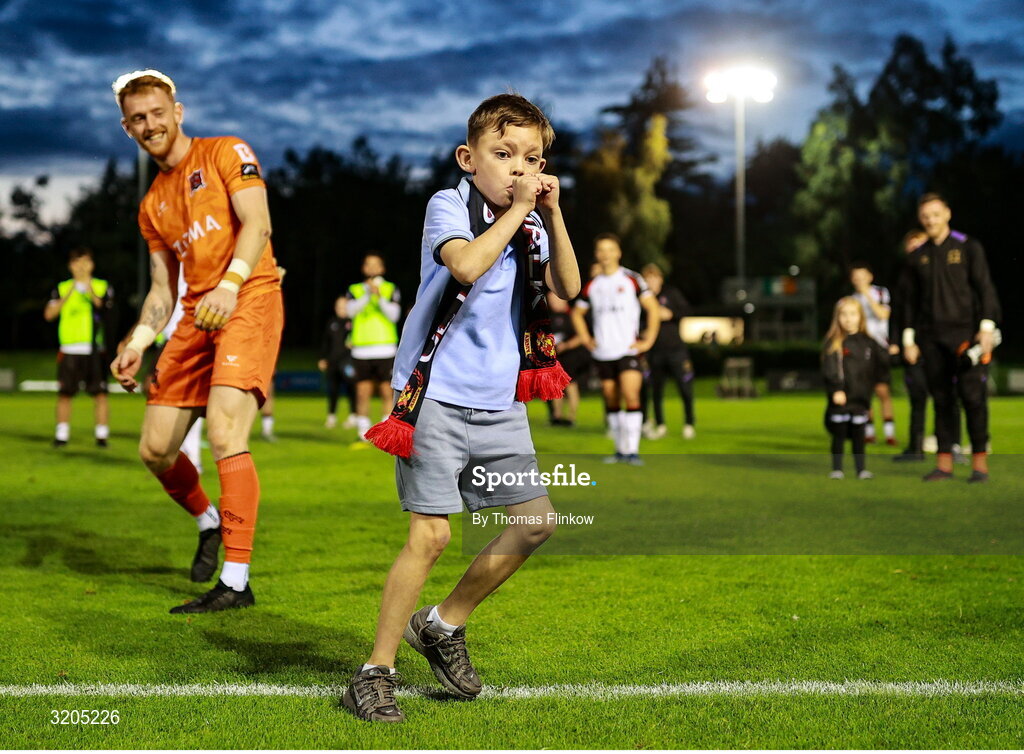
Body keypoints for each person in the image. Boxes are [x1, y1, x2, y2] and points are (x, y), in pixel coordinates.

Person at [340, 94, 579, 723]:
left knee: (537, 523)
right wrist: (524, 207)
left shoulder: (530, 221)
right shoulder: (448, 205)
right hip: (435, 397)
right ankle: (374, 672)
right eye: (504, 156)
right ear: (468, 158)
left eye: (532, 158)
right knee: (432, 534)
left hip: (500, 406)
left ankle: (443, 624)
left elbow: (568, 288)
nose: (519, 169)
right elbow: (468, 265)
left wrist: (551, 216)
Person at [108, 69, 283, 612]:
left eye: (157, 113)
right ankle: (209, 523)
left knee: (226, 430)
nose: (150, 124)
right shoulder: (151, 205)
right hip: (193, 317)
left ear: (177, 112)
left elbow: (258, 224)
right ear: (127, 128)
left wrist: (230, 287)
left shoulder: (226, 151)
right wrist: (137, 341)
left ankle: (235, 581)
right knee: (156, 449)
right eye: (138, 118)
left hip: (247, 296)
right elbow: (162, 290)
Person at [901, 193, 1001, 482]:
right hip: (931, 338)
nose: (930, 220)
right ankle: (944, 465)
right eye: (925, 216)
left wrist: (986, 326)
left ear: (947, 213)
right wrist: (909, 339)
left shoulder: (968, 247)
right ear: (921, 220)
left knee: (972, 397)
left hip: (966, 335)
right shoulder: (917, 256)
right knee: (942, 400)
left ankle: (979, 465)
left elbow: (985, 289)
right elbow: (909, 301)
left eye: (935, 214)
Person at [571, 234, 660, 465]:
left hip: (628, 350)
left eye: (610, 249)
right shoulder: (593, 285)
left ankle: (633, 450)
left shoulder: (632, 279)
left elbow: (653, 309)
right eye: (601, 250)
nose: (606, 254)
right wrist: (585, 338)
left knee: (631, 395)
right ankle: (620, 450)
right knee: (611, 398)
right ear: (597, 254)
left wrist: (648, 340)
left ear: (618, 252)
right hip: (603, 352)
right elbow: (577, 313)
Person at [44, 247, 114, 448]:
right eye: (77, 262)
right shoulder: (62, 287)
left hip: (94, 348)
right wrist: (71, 290)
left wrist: (89, 289)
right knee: (65, 393)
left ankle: (101, 435)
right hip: (69, 349)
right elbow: (49, 315)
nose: (81, 267)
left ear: (92, 264)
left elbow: (105, 308)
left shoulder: (102, 286)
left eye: (85, 262)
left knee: (100, 394)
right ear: (70, 266)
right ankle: (62, 435)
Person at [822, 297, 890, 480]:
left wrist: (894, 349)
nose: (848, 318)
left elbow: (881, 362)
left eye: (853, 314)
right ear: (837, 318)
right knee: (840, 434)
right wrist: (836, 389)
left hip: (861, 398)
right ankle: (837, 468)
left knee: (859, 435)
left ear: (860, 317)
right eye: (843, 314)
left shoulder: (868, 342)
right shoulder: (833, 342)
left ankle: (861, 469)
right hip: (842, 398)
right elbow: (830, 368)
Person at [347, 252, 401, 441]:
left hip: (385, 347)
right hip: (361, 348)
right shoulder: (355, 289)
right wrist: (367, 295)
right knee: (362, 391)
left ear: (382, 268)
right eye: (367, 264)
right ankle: (363, 432)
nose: (371, 268)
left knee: (387, 390)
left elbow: (394, 315)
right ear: (364, 268)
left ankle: (386, 428)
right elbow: (350, 311)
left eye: (375, 264)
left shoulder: (390, 288)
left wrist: (379, 298)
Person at [640, 263, 695, 440]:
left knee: (685, 388)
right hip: (655, 352)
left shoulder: (671, 294)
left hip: (676, 351)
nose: (651, 282)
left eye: (653, 278)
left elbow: (686, 310)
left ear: (660, 279)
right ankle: (660, 424)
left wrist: (670, 314)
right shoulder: (642, 299)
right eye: (647, 278)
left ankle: (689, 423)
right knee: (656, 390)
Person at [849, 262, 896, 446]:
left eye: (862, 277)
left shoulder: (880, 293)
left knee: (882, 391)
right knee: (864, 392)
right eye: (855, 278)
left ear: (870, 277)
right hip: (861, 349)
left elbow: (882, 315)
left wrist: (866, 295)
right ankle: (868, 432)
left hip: (880, 347)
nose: (859, 281)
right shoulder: (851, 300)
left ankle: (889, 433)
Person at [545, 290, 588, 426]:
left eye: (555, 299)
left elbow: (582, 336)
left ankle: (571, 417)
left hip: (571, 356)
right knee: (555, 386)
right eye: (550, 300)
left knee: (570, 385)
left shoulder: (572, 316)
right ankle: (557, 416)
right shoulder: (548, 317)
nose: (553, 302)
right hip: (555, 357)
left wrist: (567, 345)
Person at [318, 296, 354, 429]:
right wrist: (323, 358)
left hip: (348, 362)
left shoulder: (354, 322)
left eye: (344, 306)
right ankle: (331, 416)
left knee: (352, 389)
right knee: (333, 390)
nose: (341, 309)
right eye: (339, 306)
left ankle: (353, 416)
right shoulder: (331, 323)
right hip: (333, 362)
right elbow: (325, 342)